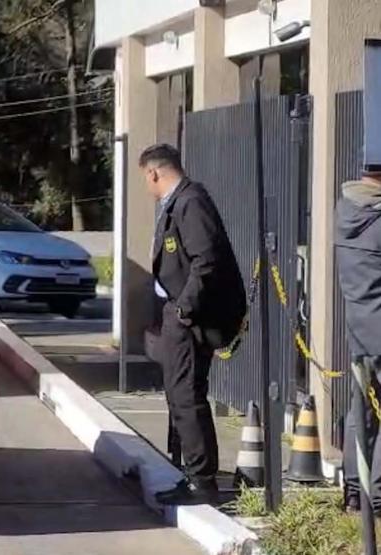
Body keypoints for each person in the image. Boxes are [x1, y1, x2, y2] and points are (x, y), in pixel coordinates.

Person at [139, 144, 246, 505]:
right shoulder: (179, 203)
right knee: (182, 394)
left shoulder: (190, 202)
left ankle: (202, 481)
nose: (147, 187)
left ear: (154, 172)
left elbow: (206, 261)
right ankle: (195, 473)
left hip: (190, 317)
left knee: (185, 395)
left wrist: (184, 309)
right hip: (180, 313)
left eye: (146, 179)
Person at [337, 172, 381, 513]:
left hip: (358, 323)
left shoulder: (347, 210)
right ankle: (378, 497)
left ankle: (354, 490)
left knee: (361, 408)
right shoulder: (377, 219)